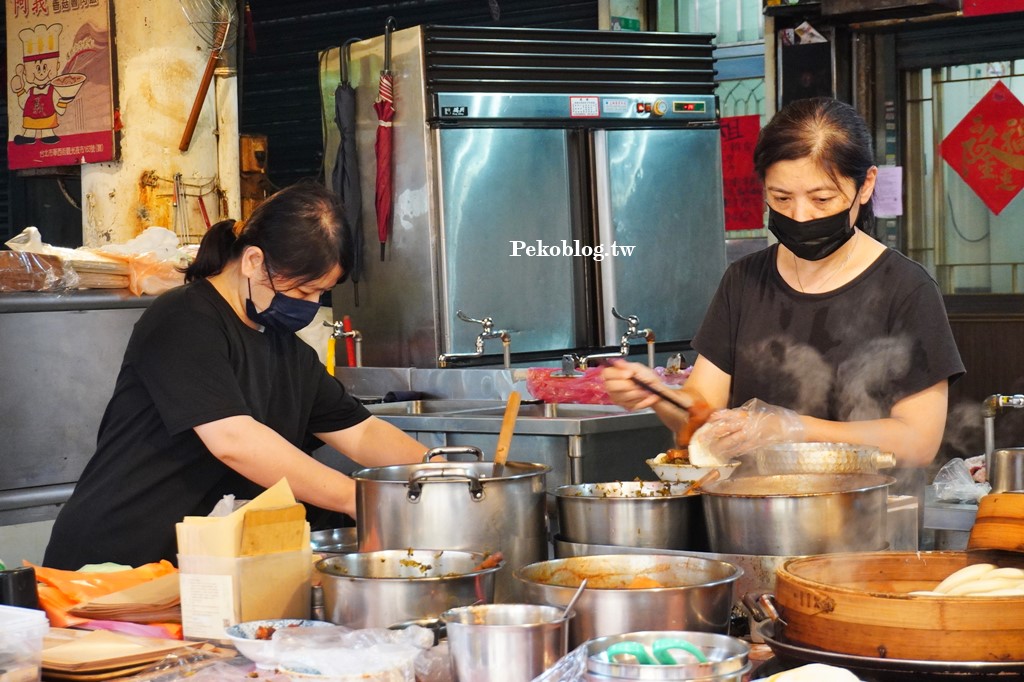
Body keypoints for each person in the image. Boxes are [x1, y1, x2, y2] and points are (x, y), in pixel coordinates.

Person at [44, 182, 428, 570]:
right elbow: (233, 440)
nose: (310, 307)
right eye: (302, 291)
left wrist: (448, 473)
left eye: (321, 294)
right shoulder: (183, 320)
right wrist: (356, 498)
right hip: (116, 562)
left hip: (196, 566)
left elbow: (361, 432)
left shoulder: (286, 349)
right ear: (253, 261)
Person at [602, 97, 964, 472]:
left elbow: (917, 441)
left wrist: (792, 428)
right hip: (750, 515)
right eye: (781, 198)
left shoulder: (906, 289)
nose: (800, 215)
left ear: (866, 184)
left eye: (822, 199)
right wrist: (657, 394)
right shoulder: (744, 280)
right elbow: (703, 415)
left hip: (865, 520)